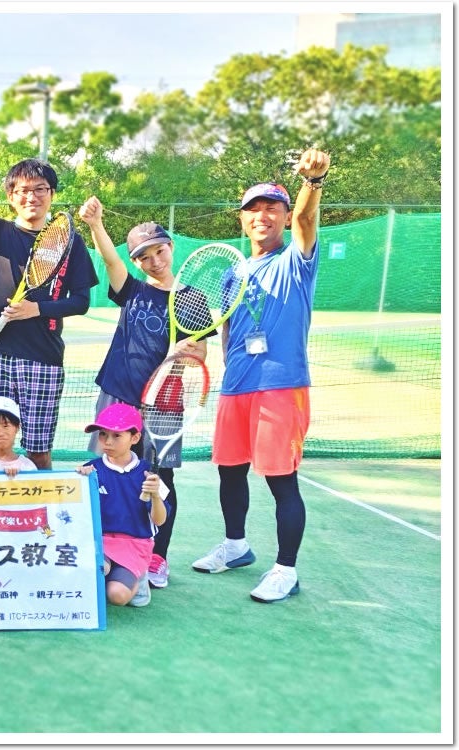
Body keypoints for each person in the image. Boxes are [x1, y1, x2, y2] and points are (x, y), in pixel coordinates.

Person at [192, 148, 331, 604]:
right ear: (242, 220)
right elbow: (231, 326)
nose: (262, 215)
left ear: (285, 216)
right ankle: (236, 546)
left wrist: (313, 183)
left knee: (279, 480)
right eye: (253, 209)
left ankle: (286, 570)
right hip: (237, 387)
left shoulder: (296, 260)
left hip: (281, 384)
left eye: (272, 208)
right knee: (229, 473)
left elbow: (308, 224)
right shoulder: (234, 272)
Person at [77, 199, 212, 590]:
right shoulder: (132, 290)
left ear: (170, 248)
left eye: (159, 251)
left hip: (164, 405)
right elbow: (110, 261)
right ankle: (103, 551)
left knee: (159, 480)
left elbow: (200, 353)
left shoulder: (191, 299)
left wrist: (181, 354)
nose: (153, 260)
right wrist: (97, 225)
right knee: (103, 473)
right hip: (117, 396)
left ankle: (156, 558)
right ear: (135, 261)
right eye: (143, 256)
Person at [0, 134, 99, 470]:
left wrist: (35, 310)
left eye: (40, 189)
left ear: (51, 194)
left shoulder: (71, 243)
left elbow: (81, 301)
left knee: (39, 451)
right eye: (23, 190)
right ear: (11, 197)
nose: (32, 196)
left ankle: (43, 520)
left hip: (44, 358)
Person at [75, 403, 168, 608]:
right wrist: (79, 481)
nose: (107, 442)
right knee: (92, 568)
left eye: (117, 436)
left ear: (134, 438)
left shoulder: (148, 475)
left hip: (136, 545)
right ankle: (115, 575)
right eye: (103, 434)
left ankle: (138, 579)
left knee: (117, 596)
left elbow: (159, 520)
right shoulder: (91, 470)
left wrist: (155, 496)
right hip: (101, 541)